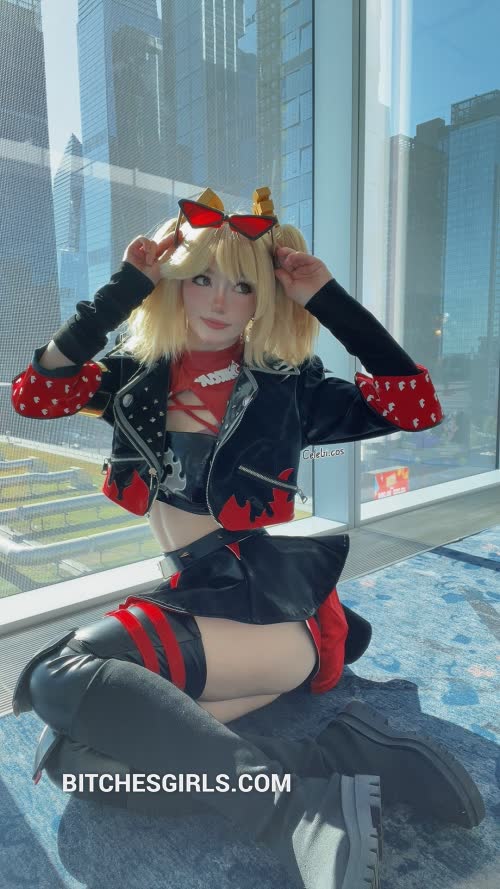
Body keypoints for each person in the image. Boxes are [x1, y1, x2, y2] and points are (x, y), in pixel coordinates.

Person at [10, 187, 484, 888]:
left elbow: (414, 408)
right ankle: (335, 759)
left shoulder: (288, 386)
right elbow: (34, 394)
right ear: (175, 282)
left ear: (264, 298)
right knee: (84, 766)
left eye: (243, 285)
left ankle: (296, 813)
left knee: (59, 676)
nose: (220, 301)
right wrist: (123, 289)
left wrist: (325, 299)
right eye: (202, 278)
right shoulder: (137, 377)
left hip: (265, 608)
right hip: (193, 601)